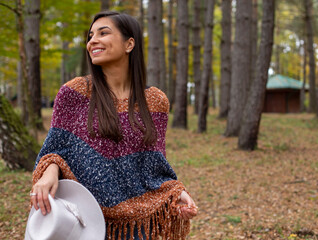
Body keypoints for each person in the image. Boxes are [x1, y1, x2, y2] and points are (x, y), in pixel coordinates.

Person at [29, 11, 197, 240]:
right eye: (90, 36)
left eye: (103, 33)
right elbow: (54, 150)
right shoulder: (74, 93)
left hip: (135, 227)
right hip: (80, 221)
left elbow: (154, 166)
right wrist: (49, 172)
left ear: (129, 44)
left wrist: (176, 194)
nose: (92, 41)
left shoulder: (155, 101)